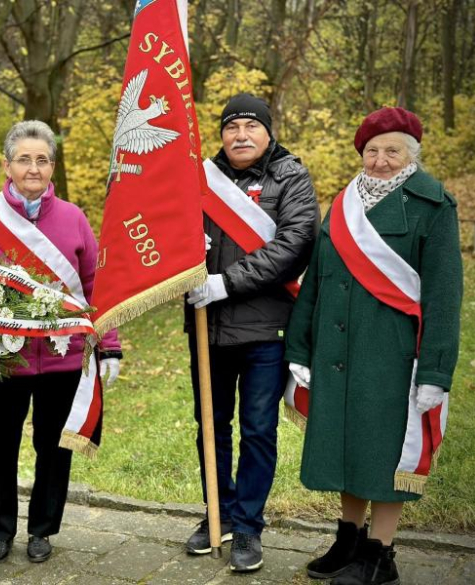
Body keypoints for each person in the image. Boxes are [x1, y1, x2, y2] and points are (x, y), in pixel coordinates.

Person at [285, 107, 462, 585]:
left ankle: (381, 556)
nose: (381, 160)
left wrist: (436, 372)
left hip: (393, 358)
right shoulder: (343, 203)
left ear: (411, 155)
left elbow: (445, 297)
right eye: (372, 151)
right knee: (347, 447)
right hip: (336, 354)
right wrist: (299, 350)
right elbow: (316, 283)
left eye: (392, 151)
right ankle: (350, 538)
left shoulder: (433, 204)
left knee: (384, 453)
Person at [0, 120, 122, 565]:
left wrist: (109, 344)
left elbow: (98, 283)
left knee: (53, 448)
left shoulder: (74, 217)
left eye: (42, 159)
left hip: (64, 359)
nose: (33, 168)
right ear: (7, 165)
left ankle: (43, 528)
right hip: (3, 359)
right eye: (24, 159)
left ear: (52, 166)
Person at [183, 93, 319, 571]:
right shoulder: (198, 178)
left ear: (267, 131)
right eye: (231, 127)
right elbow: (160, 231)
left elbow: (295, 244)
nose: (240, 135)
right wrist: (183, 250)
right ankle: (216, 513)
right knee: (211, 430)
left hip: (266, 330)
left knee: (258, 430)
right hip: (207, 329)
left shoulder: (291, 176)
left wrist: (226, 283)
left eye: (250, 126)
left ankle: (247, 526)